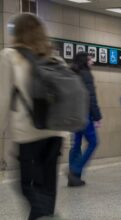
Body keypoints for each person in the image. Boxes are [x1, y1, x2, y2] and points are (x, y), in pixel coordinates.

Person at [0, 13, 66, 220]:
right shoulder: (54, 57)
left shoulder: (9, 56)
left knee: (28, 187)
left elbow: (1, 100)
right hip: (55, 133)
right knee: (47, 189)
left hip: (28, 133)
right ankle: (47, 215)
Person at [68, 52, 102, 187]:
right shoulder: (86, 74)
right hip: (84, 114)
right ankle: (75, 169)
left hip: (72, 114)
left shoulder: (71, 73)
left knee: (76, 145)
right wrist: (97, 116)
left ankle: (74, 178)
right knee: (93, 142)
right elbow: (90, 97)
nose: (92, 62)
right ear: (84, 61)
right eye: (89, 59)